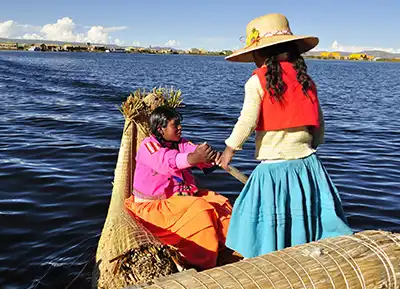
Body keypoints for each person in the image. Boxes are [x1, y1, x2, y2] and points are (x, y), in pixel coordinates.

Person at [218, 13, 353, 258]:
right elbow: (319, 125)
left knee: (253, 219)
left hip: (275, 170)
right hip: (308, 167)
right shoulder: (306, 81)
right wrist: (313, 145)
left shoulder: (256, 82)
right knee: (304, 221)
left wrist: (229, 150)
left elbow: (247, 120)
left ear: (261, 54)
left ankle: (271, 265)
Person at [125, 106, 232, 269]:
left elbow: (193, 151)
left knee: (220, 203)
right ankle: (202, 263)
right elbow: (168, 162)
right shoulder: (149, 147)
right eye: (175, 125)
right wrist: (193, 158)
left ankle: (231, 248)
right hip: (155, 207)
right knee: (200, 210)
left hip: (180, 199)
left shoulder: (179, 143)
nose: (180, 127)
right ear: (161, 129)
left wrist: (210, 157)